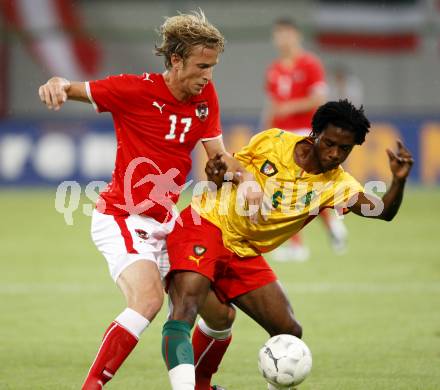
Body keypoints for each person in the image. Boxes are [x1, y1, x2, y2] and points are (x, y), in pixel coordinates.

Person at [38, 10, 253, 390]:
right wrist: (55, 84)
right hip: (121, 216)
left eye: (213, 66)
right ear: (175, 59)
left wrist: (243, 177)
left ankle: (199, 384)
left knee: (220, 315)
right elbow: (70, 86)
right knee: (149, 301)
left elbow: (219, 158)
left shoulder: (206, 97)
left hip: (166, 221)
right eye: (202, 65)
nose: (209, 75)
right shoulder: (133, 90)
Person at [163, 100, 414, 389]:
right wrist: (220, 173)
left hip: (243, 250)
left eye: (344, 149)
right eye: (329, 143)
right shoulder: (274, 141)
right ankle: (197, 385)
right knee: (189, 307)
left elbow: (382, 211)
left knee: (288, 330)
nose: (334, 154)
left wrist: (398, 181)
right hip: (207, 224)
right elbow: (228, 165)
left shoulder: (338, 185)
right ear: (315, 134)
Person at [264, 18, 347, 261]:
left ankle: (298, 245)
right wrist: (266, 135)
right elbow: (272, 106)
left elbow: (319, 99)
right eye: (279, 35)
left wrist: (288, 108)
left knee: (288, 190)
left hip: (306, 132)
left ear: (297, 36)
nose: (283, 39)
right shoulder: (274, 69)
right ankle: (330, 224)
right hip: (282, 137)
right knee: (292, 190)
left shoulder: (310, 64)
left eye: (287, 34)